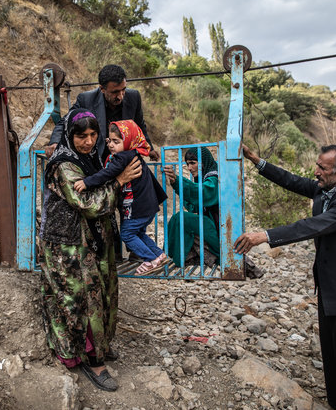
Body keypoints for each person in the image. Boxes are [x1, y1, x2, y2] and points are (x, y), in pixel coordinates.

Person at [234, 144, 336, 410]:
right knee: (335, 348)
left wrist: (264, 236)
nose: (315, 172)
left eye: (322, 167)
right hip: (332, 285)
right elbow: (291, 181)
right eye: (317, 165)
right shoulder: (326, 188)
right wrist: (255, 159)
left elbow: (311, 226)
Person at [38, 108, 142, 392]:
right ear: (70, 136)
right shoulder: (63, 163)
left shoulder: (89, 158)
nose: (88, 141)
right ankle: (89, 358)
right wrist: (119, 181)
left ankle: (100, 346)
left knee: (102, 293)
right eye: (81, 135)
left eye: (94, 135)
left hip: (90, 240)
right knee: (81, 300)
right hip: (68, 246)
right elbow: (87, 202)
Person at [74, 119, 168, 275]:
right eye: (109, 141)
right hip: (147, 207)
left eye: (116, 142)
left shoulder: (123, 157)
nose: (111, 145)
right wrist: (116, 143)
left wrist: (87, 182)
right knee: (138, 233)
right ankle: (159, 254)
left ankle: (150, 259)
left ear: (129, 141)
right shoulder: (133, 154)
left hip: (138, 208)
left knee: (127, 234)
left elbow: (107, 173)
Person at [46, 64, 160, 162]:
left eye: (123, 89)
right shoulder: (86, 100)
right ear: (102, 89)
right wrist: (54, 142)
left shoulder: (134, 96)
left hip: (124, 158)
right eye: (115, 92)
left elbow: (139, 125)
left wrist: (149, 147)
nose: (120, 96)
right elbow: (65, 122)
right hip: (97, 159)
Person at [163, 147, 221, 267]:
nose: (189, 168)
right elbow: (193, 207)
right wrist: (177, 185)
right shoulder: (203, 177)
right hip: (210, 226)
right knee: (178, 218)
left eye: (193, 163)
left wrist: (178, 182)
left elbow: (203, 193)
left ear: (204, 162)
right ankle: (166, 255)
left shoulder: (214, 179)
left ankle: (169, 256)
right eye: (188, 164)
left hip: (219, 232)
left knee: (181, 218)